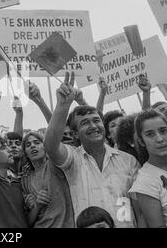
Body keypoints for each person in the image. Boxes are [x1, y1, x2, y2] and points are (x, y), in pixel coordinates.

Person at [43, 72, 140, 228]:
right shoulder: (72, 160)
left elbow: (139, 209)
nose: (93, 126)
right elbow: (50, 146)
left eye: (96, 120)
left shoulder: (128, 161)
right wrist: (63, 106)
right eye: (85, 123)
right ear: (75, 133)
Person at [21, 131, 74, 227]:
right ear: (25, 153)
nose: (33, 146)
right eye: (28, 145)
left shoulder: (55, 165)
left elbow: (56, 139)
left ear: (45, 147)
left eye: (37, 142)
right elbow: (28, 221)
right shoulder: (25, 180)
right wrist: (37, 205)